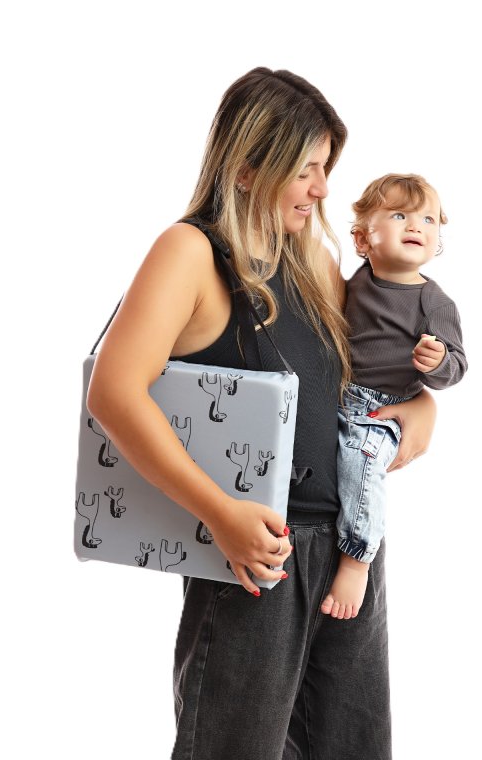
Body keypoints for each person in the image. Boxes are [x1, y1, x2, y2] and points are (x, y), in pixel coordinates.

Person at [86, 68, 437, 760]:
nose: (323, 189)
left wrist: (420, 408)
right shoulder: (190, 252)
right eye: (305, 170)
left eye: (325, 169)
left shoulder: (311, 257)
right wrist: (221, 514)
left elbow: (370, 376)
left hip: (349, 552)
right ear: (247, 169)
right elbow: (114, 391)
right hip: (255, 557)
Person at [320, 173, 468, 621]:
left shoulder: (433, 303)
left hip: (382, 409)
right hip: (339, 394)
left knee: (362, 463)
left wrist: (436, 361)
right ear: (363, 239)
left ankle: (357, 560)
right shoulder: (357, 282)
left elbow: (457, 366)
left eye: (428, 219)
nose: (416, 225)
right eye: (400, 215)